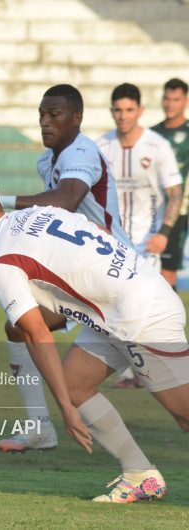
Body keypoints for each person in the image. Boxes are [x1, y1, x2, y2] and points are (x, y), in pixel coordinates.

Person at [0, 172, 189, 503]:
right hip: (123, 302)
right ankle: (139, 474)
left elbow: (36, 333)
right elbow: (97, 232)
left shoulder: (0, 260)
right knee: (75, 384)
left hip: (141, 315)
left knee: (185, 416)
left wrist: (64, 410)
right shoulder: (38, 213)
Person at [0, 84, 131, 452]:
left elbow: (66, 201)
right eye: (41, 115)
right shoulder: (46, 162)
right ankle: (39, 427)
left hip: (115, 276)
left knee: (165, 384)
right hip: (83, 277)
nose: (45, 122)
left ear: (77, 118)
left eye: (54, 115)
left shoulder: (82, 152)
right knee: (19, 327)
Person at [97, 83, 183, 389]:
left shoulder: (157, 146)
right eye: (118, 110)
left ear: (140, 111)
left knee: (146, 309)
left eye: (129, 110)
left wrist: (163, 234)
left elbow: (175, 193)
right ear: (112, 112)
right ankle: (132, 372)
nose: (123, 116)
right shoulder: (102, 146)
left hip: (148, 243)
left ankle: (166, 367)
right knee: (114, 306)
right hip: (113, 243)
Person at [153, 78, 189, 289]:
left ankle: (168, 319)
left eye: (175, 99)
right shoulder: (152, 133)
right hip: (150, 208)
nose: (170, 104)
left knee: (167, 271)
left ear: (185, 101)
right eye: (167, 98)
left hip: (178, 211)